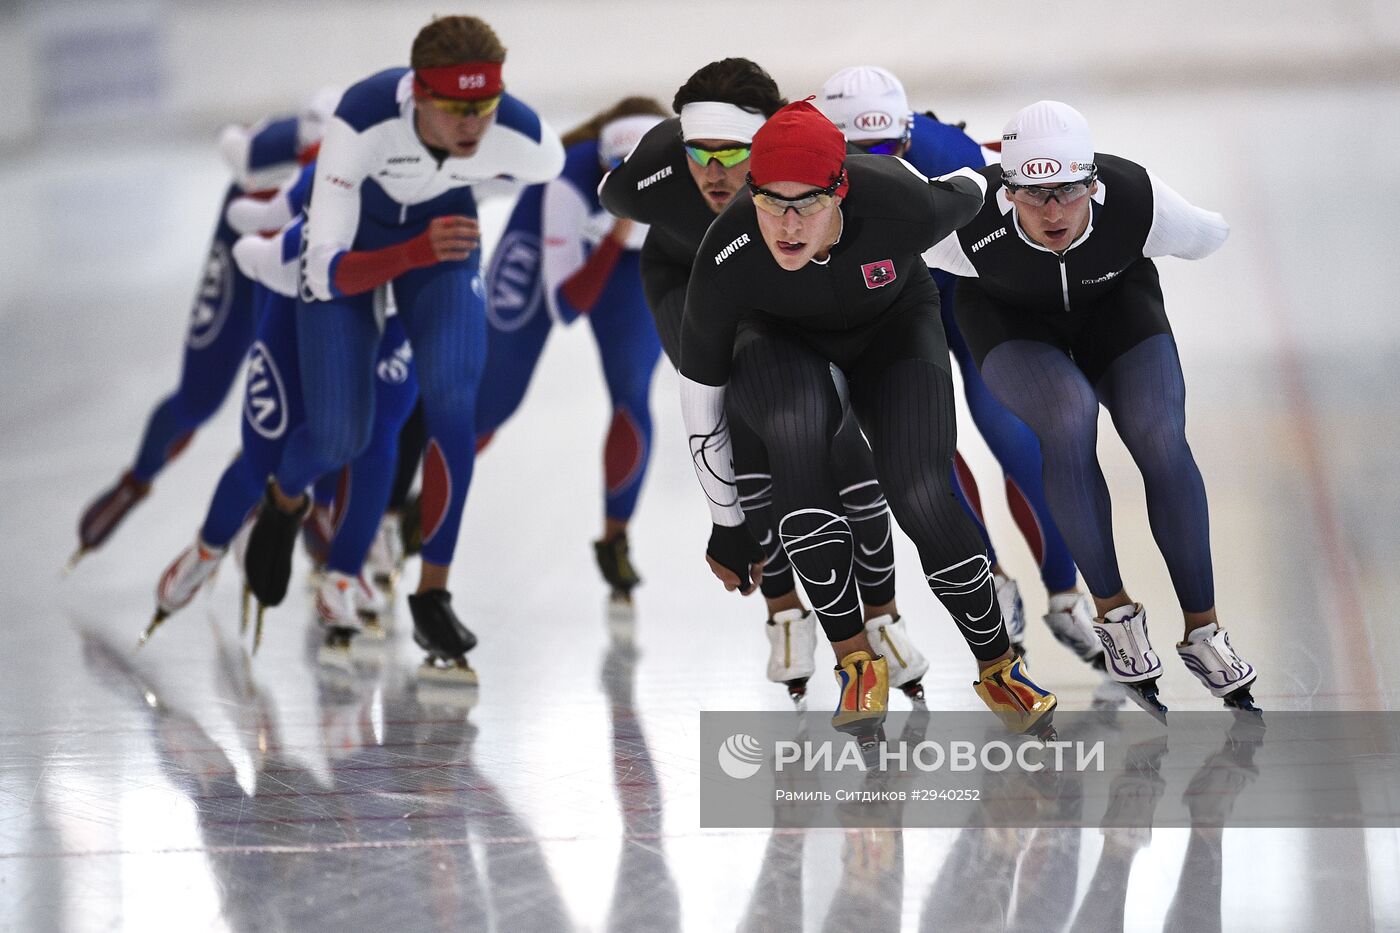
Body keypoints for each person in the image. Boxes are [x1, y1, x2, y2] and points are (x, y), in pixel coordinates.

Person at [677, 100, 1057, 737]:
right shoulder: (729, 252)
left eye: (808, 203)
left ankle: (998, 666)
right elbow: (700, 394)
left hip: (893, 329)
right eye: (771, 201)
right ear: (751, 191)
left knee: (922, 492)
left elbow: (973, 185)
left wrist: (1015, 167)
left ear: (843, 189)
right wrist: (727, 523)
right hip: (781, 340)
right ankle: (856, 662)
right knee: (796, 434)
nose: (789, 225)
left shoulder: (900, 205)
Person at [242, 15, 564, 682]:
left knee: (453, 402)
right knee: (341, 437)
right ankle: (283, 498)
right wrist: (413, 250)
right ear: (418, 94)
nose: (474, 126)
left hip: (444, 241)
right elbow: (323, 270)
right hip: (357, 249)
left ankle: (433, 594)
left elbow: (563, 171)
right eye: (456, 110)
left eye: (485, 108)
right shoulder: (360, 122)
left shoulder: (527, 139)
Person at [601, 59, 931, 706]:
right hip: (687, 279)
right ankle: (783, 609)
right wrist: (726, 522)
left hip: (773, 272)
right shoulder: (654, 172)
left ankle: (881, 613)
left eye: (736, 154)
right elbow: (614, 193)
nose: (716, 172)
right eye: (701, 152)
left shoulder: (797, 169)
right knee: (743, 416)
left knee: (829, 429)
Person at [924, 100, 1260, 714]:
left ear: (1094, 183)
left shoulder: (1139, 199)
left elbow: (1213, 232)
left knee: (1159, 435)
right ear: (1006, 188)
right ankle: (1113, 613)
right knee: (1069, 414)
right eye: (1032, 194)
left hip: (1115, 311)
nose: (1053, 211)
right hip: (1010, 323)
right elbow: (873, 242)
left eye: (1069, 192)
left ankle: (1204, 629)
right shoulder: (966, 207)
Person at [819, 66, 1106, 671]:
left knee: (1015, 438)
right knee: (924, 451)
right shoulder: (809, 170)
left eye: (892, 150)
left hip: (963, 293)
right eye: (862, 156)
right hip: (892, 306)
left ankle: (1064, 594)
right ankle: (992, 576)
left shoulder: (948, 153)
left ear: (908, 135)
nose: (884, 168)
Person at [142, 167, 418, 659]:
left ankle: (341, 576)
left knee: (378, 439)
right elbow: (256, 240)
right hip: (298, 299)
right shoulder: (326, 181)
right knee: (262, 455)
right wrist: (260, 249)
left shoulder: (435, 171)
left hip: (393, 313)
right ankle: (208, 549)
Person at [70, 91, 338, 569]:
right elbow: (231, 142)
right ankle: (137, 480)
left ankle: (316, 503)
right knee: (200, 397)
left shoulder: (394, 168)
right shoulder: (278, 149)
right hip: (247, 238)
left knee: (327, 399)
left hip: (310, 256)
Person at [476, 98, 667, 606]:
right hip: (559, 252)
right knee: (493, 401)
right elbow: (565, 305)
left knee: (632, 392)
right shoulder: (565, 181)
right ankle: (405, 500)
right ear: (599, 164)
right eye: (612, 176)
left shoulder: (692, 175)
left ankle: (615, 539)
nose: (625, 190)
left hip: (634, 267)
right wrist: (616, 236)